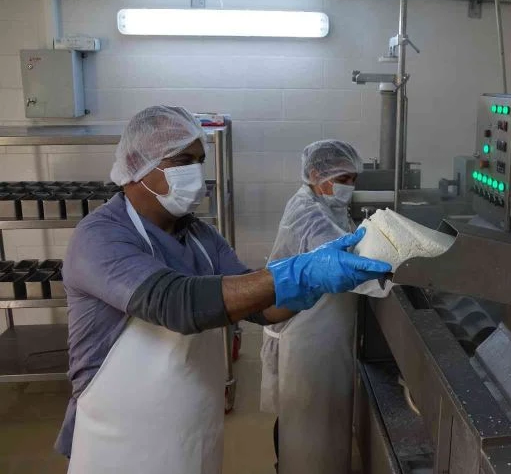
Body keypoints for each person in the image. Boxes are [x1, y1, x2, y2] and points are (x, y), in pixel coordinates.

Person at [55, 107, 390, 474]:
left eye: (200, 161)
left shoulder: (200, 236)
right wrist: (297, 273)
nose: (196, 173)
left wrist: (312, 283)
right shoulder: (101, 237)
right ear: (138, 164)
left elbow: (261, 308)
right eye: (183, 161)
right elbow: (176, 303)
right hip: (119, 443)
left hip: (192, 434)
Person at [260, 140, 363, 474]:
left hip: (326, 332)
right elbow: (338, 263)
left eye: (353, 180)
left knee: (320, 422)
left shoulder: (328, 203)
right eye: (343, 179)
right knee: (304, 424)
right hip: (305, 333)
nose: (349, 187)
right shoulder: (307, 212)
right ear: (316, 174)